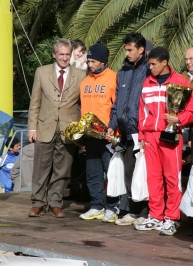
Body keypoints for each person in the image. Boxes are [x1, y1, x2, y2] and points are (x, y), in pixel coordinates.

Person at [135, 47, 193, 236]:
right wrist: (143, 136)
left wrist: (178, 120)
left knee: (172, 178)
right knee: (153, 178)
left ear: (164, 63)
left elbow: (191, 112)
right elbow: (142, 112)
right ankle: (155, 215)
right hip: (151, 136)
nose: (150, 67)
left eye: (153, 64)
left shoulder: (180, 82)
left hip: (170, 136)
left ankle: (170, 218)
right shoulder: (147, 82)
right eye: (149, 64)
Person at [27, 38, 86, 218]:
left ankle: (55, 202)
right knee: (40, 168)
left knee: (62, 169)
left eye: (68, 54)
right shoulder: (41, 72)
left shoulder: (80, 74)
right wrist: (31, 127)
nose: (65, 58)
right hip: (45, 127)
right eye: (61, 54)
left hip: (68, 129)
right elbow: (35, 101)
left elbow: (82, 104)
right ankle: (38, 202)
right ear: (54, 54)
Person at [107, 32, 150, 226]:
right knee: (128, 172)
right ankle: (133, 211)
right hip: (125, 131)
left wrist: (144, 129)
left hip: (142, 131)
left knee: (141, 173)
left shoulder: (149, 70)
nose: (127, 53)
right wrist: (111, 126)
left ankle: (144, 212)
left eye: (130, 49)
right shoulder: (122, 71)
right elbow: (117, 104)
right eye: (126, 49)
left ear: (141, 50)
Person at [78, 43, 119, 222]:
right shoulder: (85, 81)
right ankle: (96, 205)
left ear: (103, 61)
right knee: (92, 172)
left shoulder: (113, 78)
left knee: (111, 172)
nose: (90, 64)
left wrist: (115, 131)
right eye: (88, 61)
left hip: (107, 135)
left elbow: (116, 107)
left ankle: (112, 206)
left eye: (93, 61)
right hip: (90, 135)